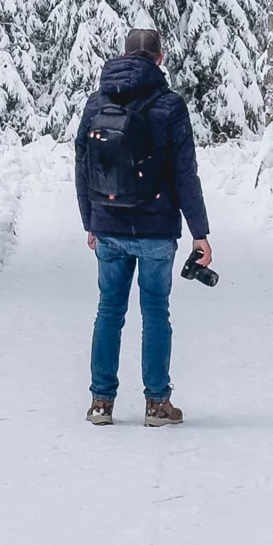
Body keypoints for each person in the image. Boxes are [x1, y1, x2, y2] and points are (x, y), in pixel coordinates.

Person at [75, 27, 212, 428]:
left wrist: (91, 222)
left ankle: (101, 403)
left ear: (124, 54)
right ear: (160, 58)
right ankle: (156, 405)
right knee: (155, 313)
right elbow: (185, 173)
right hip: (156, 230)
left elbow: (82, 167)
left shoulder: (96, 102)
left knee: (108, 311)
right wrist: (199, 232)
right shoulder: (170, 106)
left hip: (109, 227)